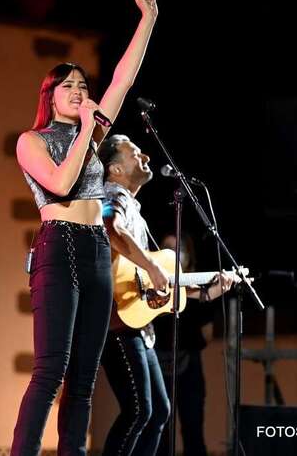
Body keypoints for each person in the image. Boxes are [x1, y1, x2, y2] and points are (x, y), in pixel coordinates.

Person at [11, 0, 158, 456]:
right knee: (50, 370)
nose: (78, 91)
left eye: (82, 85)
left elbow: (123, 79)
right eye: (67, 86)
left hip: (95, 248)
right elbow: (59, 182)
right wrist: (86, 133)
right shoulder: (31, 140)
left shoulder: (92, 129)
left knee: (84, 380)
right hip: (58, 247)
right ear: (51, 96)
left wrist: (147, 21)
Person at [97, 135, 236, 456]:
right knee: (140, 411)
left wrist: (204, 292)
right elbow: (109, 224)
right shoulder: (114, 192)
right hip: (117, 324)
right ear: (115, 168)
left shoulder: (135, 207)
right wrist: (152, 266)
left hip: (135, 325)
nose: (144, 155)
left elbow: (150, 283)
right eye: (134, 152)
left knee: (158, 411)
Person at [154, 233, 211, 456]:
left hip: (189, 365)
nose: (173, 254)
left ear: (189, 256)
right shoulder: (151, 287)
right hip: (157, 363)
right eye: (167, 248)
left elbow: (207, 335)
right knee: (160, 431)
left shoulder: (197, 290)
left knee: (193, 428)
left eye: (179, 249)